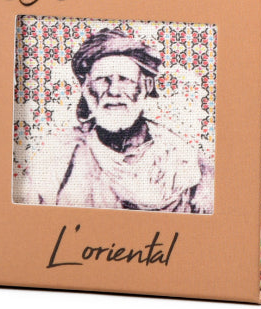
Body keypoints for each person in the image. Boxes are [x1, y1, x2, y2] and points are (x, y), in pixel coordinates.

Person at [26, 29, 213, 213]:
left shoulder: (184, 159)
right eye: (102, 80)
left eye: (125, 79)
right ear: (86, 87)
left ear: (146, 86)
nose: (114, 91)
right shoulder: (58, 156)